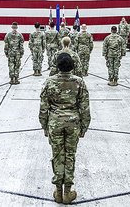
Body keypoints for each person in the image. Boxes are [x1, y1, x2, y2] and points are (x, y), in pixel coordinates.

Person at [39, 53, 91, 204]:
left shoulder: (49, 82)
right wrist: (84, 127)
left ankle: (58, 192)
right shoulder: (79, 82)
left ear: (57, 66)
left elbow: (43, 107)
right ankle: (67, 192)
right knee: (70, 155)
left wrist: (44, 126)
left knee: (57, 155)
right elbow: (85, 108)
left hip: (54, 123)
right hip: (73, 123)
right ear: (72, 66)